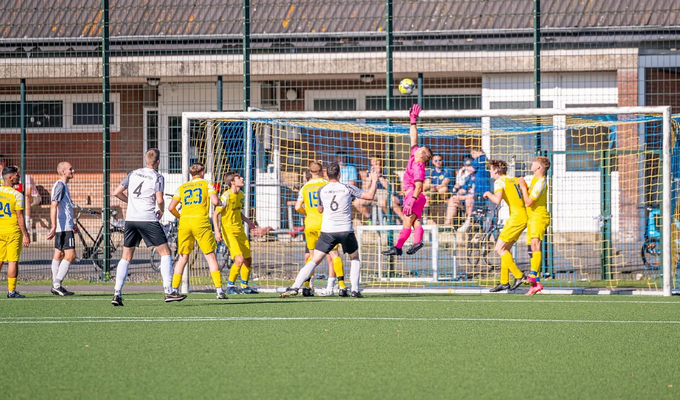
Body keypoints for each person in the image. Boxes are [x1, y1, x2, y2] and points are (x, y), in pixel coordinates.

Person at [280, 162, 378, 298]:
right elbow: (370, 196)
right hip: (345, 230)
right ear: (339, 174)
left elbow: (320, 209)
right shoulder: (347, 188)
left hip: (327, 231)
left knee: (314, 260)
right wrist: (374, 180)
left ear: (328, 174)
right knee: (354, 257)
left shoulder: (322, 190)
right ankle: (354, 289)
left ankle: (295, 286)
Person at [111, 149, 179, 306]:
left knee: (126, 256)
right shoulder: (157, 177)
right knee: (165, 252)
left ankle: (116, 294)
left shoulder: (133, 173)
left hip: (131, 219)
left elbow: (116, 192)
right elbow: (160, 199)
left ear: (145, 160)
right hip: (148, 219)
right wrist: (160, 209)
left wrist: (131, 202)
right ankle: (168, 291)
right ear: (158, 162)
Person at [168, 163, 226, 300]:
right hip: (200, 222)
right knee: (210, 256)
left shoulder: (182, 187)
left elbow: (171, 208)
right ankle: (219, 290)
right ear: (202, 173)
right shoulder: (206, 184)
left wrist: (181, 217)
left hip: (185, 223)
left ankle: (174, 289)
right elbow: (215, 201)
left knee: (182, 257)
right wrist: (220, 203)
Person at [382, 104, 433, 256]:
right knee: (415, 222)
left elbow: (419, 186)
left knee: (407, 221)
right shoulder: (413, 155)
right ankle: (417, 242)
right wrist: (413, 121)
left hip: (414, 195)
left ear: (422, 157)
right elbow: (413, 137)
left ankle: (397, 247)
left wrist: (411, 200)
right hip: (415, 196)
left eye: (421, 149)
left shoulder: (418, 166)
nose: (418, 147)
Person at [295, 162, 346, 297]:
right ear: (322, 171)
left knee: (312, 257)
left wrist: (307, 213)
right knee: (333, 254)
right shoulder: (326, 184)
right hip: (325, 224)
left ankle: (307, 287)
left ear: (309, 172)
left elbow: (297, 207)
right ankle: (339, 286)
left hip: (310, 224)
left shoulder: (305, 187)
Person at [483, 159, 527, 292]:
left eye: (490, 169)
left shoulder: (499, 181)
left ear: (496, 170)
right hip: (522, 217)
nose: (489, 171)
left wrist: (488, 194)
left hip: (516, 219)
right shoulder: (513, 179)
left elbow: (497, 200)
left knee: (498, 249)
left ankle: (519, 276)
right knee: (504, 250)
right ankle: (504, 282)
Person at [213, 171, 258, 295]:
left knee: (248, 259)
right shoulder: (226, 197)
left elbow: (238, 212)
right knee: (239, 259)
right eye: (239, 177)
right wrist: (217, 232)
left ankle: (244, 286)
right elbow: (215, 214)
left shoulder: (241, 195)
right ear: (232, 182)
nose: (242, 178)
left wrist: (248, 221)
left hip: (240, 230)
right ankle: (230, 286)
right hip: (229, 231)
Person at [518, 156, 551, 296]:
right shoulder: (534, 179)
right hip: (532, 217)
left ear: (539, 167)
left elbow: (529, 202)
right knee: (531, 250)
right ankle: (535, 284)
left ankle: (533, 274)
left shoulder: (540, 182)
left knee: (535, 245)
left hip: (539, 216)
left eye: (534, 163)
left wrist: (523, 187)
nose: (531, 165)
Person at [45, 161, 76, 296]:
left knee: (59, 254)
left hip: (65, 225)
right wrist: (54, 225)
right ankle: (56, 285)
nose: (73, 171)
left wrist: (72, 222)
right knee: (71, 255)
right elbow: (53, 205)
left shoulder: (63, 185)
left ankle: (55, 284)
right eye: (70, 169)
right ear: (63, 172)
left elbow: (65, 207)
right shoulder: (60, 185)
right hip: (63, 227)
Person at [0, 166, 30, 298]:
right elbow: (19, 216)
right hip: (12, 231)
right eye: (16, 175)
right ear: (10, 177)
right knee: (12, 261)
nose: (18, 177)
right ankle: (11, 291)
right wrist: (25, 234)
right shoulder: (17, 195)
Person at [445, 157, 476, 232]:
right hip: (464, 200)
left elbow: (474, 194)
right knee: (453, 199)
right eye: (466, 166)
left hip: (474, 202)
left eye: (469, 166)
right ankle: (447, 223)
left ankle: (468, 222)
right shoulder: (468, 177)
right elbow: (463, 189)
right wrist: (458, 195)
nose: (467, 168)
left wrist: (462, 197)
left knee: (469, 200)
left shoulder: (477, 177)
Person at [358, 157, 390, 224]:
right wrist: (370, 177)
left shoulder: (385, 170)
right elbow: (365, 187)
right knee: (357, 203)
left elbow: (388, 187)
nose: (375, 163)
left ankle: (389, 219)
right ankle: (369, 219)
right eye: (373, 161)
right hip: (371, 191)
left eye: (377, 161)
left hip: (382, 191)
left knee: (382, 203)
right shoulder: (368, 171)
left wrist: (379, 175)